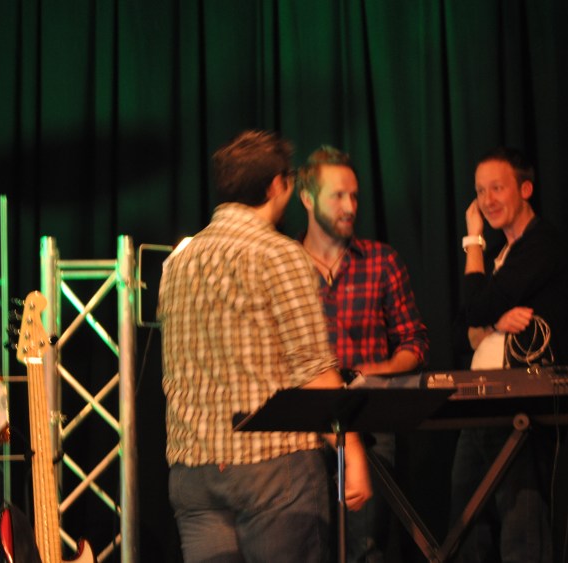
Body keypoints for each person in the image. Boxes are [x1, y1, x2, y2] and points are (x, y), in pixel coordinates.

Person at [158, 130, 372, 563]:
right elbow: (312, 370)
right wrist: (350, 449)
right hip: (271, 466)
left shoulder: (177, 262)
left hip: (193, 471)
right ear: (278, 185)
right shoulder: (279, 254)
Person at [296, 145, 430, 562]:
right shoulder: (285, 266)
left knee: (367, 549)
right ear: (307, 198)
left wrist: (370, 370)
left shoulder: (381, 261)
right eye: (338, 196)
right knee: (304, 548)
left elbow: (415, 344)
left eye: (354, 196)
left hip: (369, 424)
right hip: (300, 428)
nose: (350, 206)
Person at [451, 147, 568, 562]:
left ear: (525, 189)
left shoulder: (541, 243)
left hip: (521, 404)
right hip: (480, 403)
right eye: (480, 191)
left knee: (523, 533)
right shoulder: (500, 258)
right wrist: (492, 322)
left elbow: (475, 308)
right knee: (467, 532)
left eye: (497, 188)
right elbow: (463, 329)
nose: (487, 201)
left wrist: (472, 239)